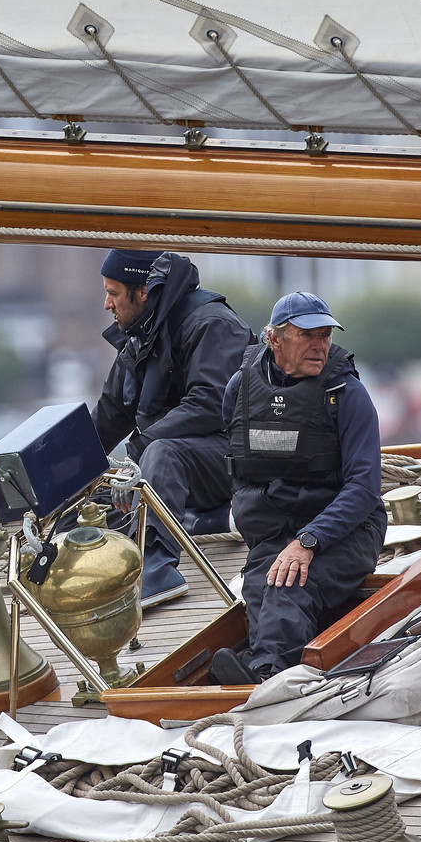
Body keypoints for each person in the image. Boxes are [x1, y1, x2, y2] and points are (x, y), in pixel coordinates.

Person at [213, 291, 386, 684]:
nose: (319, 345)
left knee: (288, 584)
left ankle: (268, 675)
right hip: (274, 530)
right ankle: (266, 669)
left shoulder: (348, 395)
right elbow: (240, 468)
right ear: (274, 340)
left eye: (325, 335)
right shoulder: (239, 391)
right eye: (307, 335)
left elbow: (364, 489)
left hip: (347, 532)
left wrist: (309, 540)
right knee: (259, 584)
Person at [93, 249, 252, 609]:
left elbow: (212, 404)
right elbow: (108, 416)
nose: (106, 304)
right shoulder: (140, 336)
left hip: (233, 462)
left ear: (144, 292)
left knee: (160, 454)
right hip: (168, 469)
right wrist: (53, 474)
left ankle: (158, 570)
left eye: (113, 293)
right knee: (94, 497)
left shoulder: (212, 324)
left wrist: (139, 453)